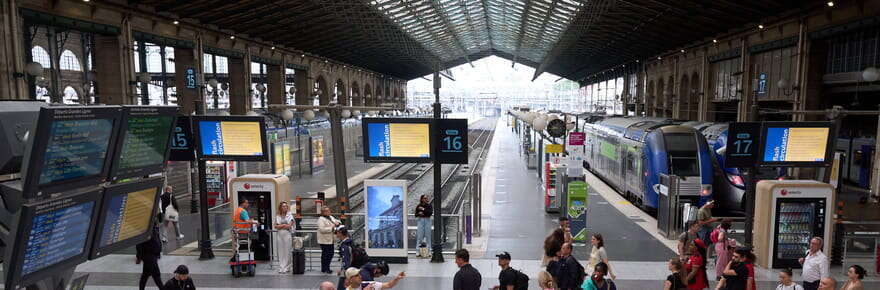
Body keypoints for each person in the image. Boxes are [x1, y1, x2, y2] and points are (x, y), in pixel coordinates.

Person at [136, 223, 163, 290]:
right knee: (156, 275)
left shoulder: (154, 227)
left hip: (153, 255)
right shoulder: (143, 229)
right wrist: (139, 257)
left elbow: (158, 239)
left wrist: (158, 252)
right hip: (149, 256)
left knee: (145, 275)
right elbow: (139, 244)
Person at [318, 206, 341, 274]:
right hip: (324, 240)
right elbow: (322, 229)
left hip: (330, 239)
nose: (329, 212)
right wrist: (332, 228)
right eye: (327, 211)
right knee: (325, 254)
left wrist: (338, 223)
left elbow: (336, 221)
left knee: (331, 253)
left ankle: (327, 267)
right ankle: (325, 268)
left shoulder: (330, 217)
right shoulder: (321, 219)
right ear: (323, 212)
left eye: (329, 210)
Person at [274, 201, 294, 274]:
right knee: (280, 251)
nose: (285, 207)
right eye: (283, 206)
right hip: (279, 234)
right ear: (280, 207)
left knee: (287, 251)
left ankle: (287, 267)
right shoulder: (278, 215)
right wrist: (283, 225)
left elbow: (289, 225)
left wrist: (281, 225)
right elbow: (276, 226)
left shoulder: (290, 215)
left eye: (286, 206)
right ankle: (281, 267)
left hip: (287, 234)